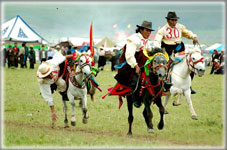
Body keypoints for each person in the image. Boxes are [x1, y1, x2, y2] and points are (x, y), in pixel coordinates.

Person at [153, 11, 198, 94]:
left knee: (189, 64)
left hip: (179, 48)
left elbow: (187, 33)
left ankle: (189, 86)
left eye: (175, 20)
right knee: (167, 66)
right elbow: (157, 39)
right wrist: (156, 47)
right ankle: (166, 85)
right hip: (167, 49)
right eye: (172, 20)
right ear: (168, 20)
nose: (174, 22)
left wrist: (194, 37)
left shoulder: (180, 27)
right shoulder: (163, 30)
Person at [114, 20, 154, 107]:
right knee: (136, 80)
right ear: (141, 30)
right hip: (129, 66)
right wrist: (136, 66)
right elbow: (129, 55)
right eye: (147, 30)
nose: (149, 33)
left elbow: (149, 52)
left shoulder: (146, 40)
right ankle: (136, 99)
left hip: (142, 65)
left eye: (150, 31)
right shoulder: (134, 39)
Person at [37, 52, 73, 125]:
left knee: (62, 83)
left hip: (59, 73)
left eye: (49, 74)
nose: (49, 76)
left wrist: (76, 55)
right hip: (51, 82)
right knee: (58, 84)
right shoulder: (42, 81)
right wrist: (53, 112)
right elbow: (48, 97)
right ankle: (61, 92)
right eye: (47, 76)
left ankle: (63, 93)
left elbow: (64, 57)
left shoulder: (53, 63)